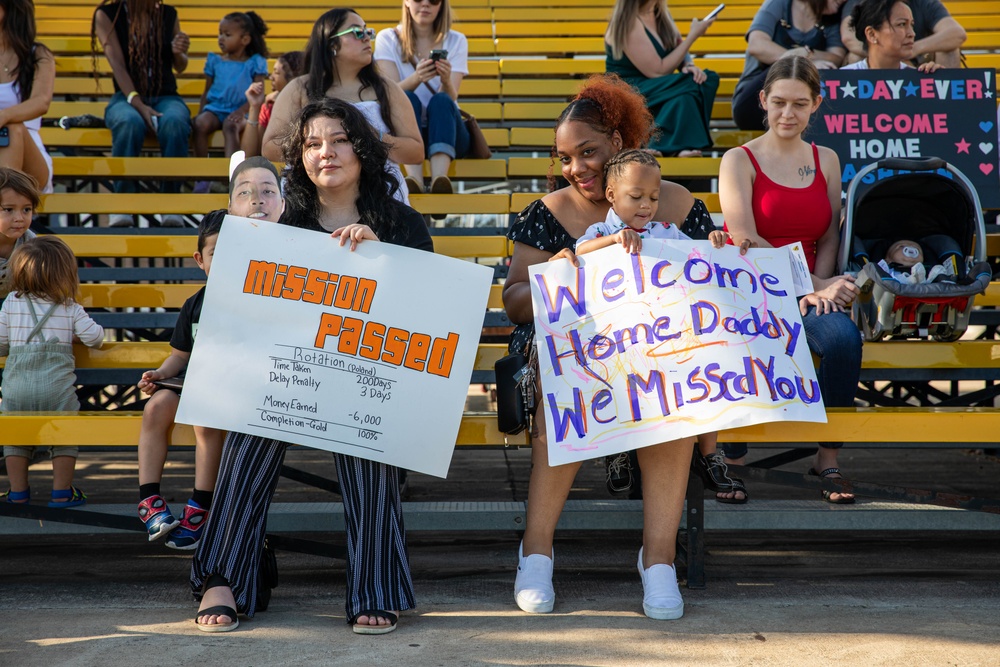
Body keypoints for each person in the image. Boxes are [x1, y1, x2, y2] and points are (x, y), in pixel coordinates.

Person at [191, 98, 433, 634]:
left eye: (340, 139)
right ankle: (223, 577)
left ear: (364, 148)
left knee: (369, 438)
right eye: (312, 143)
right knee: (250, 428)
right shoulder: (280, 218)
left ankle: (375, 586)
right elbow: (241, 305)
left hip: (369, 376)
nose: (327, 152)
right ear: (299, 156)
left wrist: (382, 260)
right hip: (287, 375)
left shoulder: (400, 222)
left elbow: (425, 316)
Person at [502, 74, 716, 620]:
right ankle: (536, 551)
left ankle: (660, 559)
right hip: (568, 353)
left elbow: (710, 283)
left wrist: (722, 250)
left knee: (672, 392)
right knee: (561, 382)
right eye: (565, 157)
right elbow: (515, 305)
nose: (576, 168)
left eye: (588, 152)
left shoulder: (677, 202)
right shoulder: (545, 212)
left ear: (620, 142)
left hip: (655, 346)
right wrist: (552, 273)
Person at [718, 55, 862, 504]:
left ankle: (828, 455)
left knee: (842, 339)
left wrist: (822, 287)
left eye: (800, 104)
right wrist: (813, 287)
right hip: (755, 290)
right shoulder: (738, 160)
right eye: (779, 102)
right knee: (740, 339)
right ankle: (734, 457)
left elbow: (830, 233)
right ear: (762, 100)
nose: (787, 114)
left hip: (813, 289)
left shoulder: (828, 159)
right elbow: (745, 238)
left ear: (816, 104)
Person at [261, 9, 423, 206]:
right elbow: (269, 147)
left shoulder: (387, 89)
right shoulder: (299, 88)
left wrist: (374, 137)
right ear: (331, 44)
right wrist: (315, 143)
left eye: (367, 32)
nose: (366, 39)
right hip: (311, 198)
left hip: (379, 197)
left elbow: (416, 152)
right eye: (357, 32)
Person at [135, 211, 226, 549]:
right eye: (218, 253)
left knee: (204, 419)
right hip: (191, 382)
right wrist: (161, 374)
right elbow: (180, 356)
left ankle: (201, 504)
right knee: (155, 407)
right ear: (200, 260)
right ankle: (149, 501)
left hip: (226, 392)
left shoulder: (253, 302)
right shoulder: (195, 304)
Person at [0, 235, 105, 506]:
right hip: (57, 389)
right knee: (64, 438)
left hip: (17, 388)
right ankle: (62, 492)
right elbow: (95, 338)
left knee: (16, 439)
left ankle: (18, 493)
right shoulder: (69, 306)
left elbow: (0, 344)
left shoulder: (11, 302)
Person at [92, 0, 192, 227]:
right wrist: (138, 104)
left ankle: (171, 205)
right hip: (126, 96)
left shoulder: (168, 13)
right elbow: (117, 65)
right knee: (128, 121)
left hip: (166, 95)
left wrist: (179, 52)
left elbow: (181, 66)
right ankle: (123, 203)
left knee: (175, 121)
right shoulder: (107, 14)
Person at [374, 0, 469, 200]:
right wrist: (417, 78)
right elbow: (388, 94)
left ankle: (440, 178)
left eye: (433, 0)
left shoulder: (456, 40)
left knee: (442, 100)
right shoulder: (388, 38)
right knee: (408, 98)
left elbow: (451, 98)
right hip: (406, 130)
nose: (425, 4)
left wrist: (445, 79)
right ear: (407, 2)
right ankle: (414, 179)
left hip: (448, 131)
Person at [604, 0, 719, 157]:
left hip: (660, 88)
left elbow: (677, 45)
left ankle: (676, 149)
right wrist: (693, 36)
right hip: (631, 90)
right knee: (692, 84)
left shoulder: (660, 15)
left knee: (695, 88)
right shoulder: (629, 22)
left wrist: (688, 65)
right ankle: (673, 148)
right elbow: (658, 71)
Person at [732, 0, 847, 131]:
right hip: (755, 99)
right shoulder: (779, 4)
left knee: (824, 72)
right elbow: (757, 45)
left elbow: (836, 57)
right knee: (785, 73)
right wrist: (797, 60)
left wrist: (806, 54)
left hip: (803, 105)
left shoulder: (832, 18)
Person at [191, 11, 269, 193]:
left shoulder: (254, 62)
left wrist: (242, 111)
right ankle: (202, 176)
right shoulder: (215, 61)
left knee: (230, 125)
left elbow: (259, 93)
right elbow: (206, 91)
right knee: (200, 124)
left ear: (244, 40)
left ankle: (233, 176)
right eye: (220, 33)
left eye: (227, 35)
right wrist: (202, 111)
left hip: (242, 110)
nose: (221, 38)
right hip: (215, 107)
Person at [0, 0, 54, 194]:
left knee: (14, 129)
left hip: (30, 157)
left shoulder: (38, 55)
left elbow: (41, 102)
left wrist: (4, 116)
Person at [841, 0, 965, 67]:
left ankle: (944, 98)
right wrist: (888, 55)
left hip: (918, 61)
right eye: (901, 24)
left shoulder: (926, 3)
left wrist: (912, 50)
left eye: (911, 24)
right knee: (854, 56)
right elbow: (849, 36)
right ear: (871, 34)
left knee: (950, 50)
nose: (912, 33)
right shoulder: (861, 3)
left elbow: (957, 33)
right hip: (870, 60)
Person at [240, 51, 304, 158]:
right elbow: (250, 154)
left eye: (277, 73)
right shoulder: (269, 106)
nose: (271, 77)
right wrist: (254, 107)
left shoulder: (310, 105)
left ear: (294, 78)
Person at [0, 166, 37, 304]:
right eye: (9, 209)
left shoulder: (31, 245)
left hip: (16, 308)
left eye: (26, 209)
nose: (19, 218)